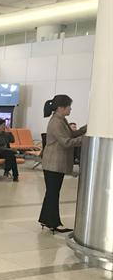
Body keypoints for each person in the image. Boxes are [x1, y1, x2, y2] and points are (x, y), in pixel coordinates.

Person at [39, 95, 87, 233]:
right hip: (53, 163)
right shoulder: (56, 122)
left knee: (52, 192)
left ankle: (45, 219)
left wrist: (86, 128)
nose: (70, 109)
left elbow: (72, 134)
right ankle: (54, 223)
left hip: (56, 164)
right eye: (69, 107)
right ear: (61, 108)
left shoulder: (62, 120)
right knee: (53, 193)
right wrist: (85, 140)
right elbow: (66, 142)